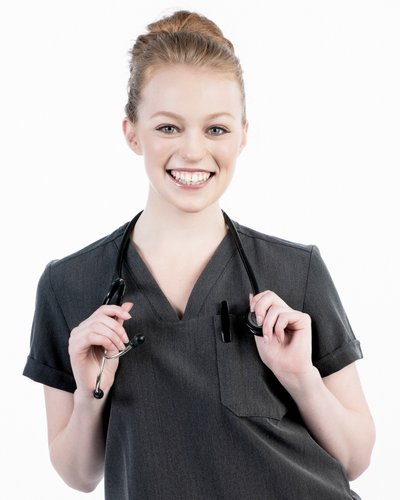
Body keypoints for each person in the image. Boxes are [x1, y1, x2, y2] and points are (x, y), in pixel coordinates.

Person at [23, 10, 375, 500]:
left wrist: (301, 377)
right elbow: (80, 475)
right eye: (168, 128)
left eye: (216, 130)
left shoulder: (297, 272)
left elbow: (356, 460)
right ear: (131, 132)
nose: (193, 151)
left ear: (243, 134)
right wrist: (90, 393)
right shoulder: (71, 285)